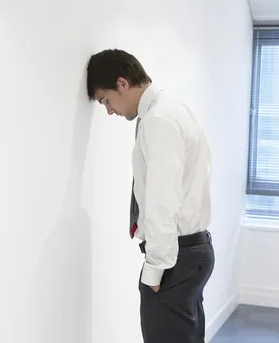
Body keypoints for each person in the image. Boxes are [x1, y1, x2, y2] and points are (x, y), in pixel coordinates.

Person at [86, 49, 215, 343]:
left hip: (175, 258)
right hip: (190, 252)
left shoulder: (158, 119)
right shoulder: (172, 109)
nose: (109, 110)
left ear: (122, 84)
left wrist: (156, 268)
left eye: (107, 100)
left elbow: (162, 199)